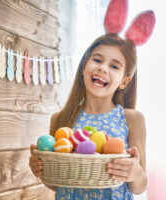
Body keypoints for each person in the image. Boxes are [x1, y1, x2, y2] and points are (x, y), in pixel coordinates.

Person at [29, 33, 148, 199]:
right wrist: (42, 171)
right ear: (84, 67)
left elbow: (140, 186)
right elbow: (58, 184)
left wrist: (135, 173)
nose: (103, 68)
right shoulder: (60, 120)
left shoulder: (132, 119)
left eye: (114, 66)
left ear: (124, 82)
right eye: (97, 60)